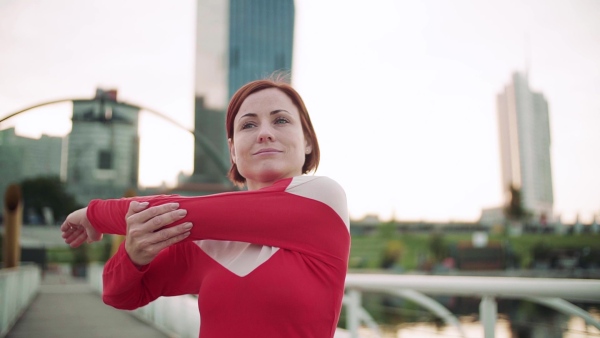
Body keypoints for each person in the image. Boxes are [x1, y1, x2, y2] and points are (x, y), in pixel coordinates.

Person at [60, 78, 350, 338]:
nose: (265, 133)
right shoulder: (206, 241)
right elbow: (119, 295)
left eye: (281, 120)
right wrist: (133, 256)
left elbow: (179, 210)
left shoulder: (323, 199)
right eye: (248, 124)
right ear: (233, 150)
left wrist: (94, 214)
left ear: (308, 141)